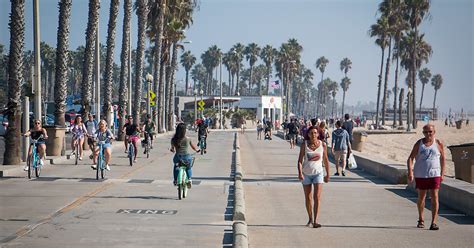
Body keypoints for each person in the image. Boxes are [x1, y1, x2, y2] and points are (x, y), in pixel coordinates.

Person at [407, 124, 445, 231]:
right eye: (425, 132)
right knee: (421, 197)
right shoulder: (419, 144)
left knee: (435, 197)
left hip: (435, 174)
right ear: (423, 133)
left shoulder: (438, 143)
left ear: (434, 132)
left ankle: (434, 222)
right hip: (421, 174)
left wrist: (442, 173)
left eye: (430, 132)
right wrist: (410, 172)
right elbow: (410, 158)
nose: (428, 134)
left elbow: (443, 158)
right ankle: (421, 219)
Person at [297, 126, 330, 228]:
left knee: (317, 197)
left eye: (315, 133)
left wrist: (328, 174)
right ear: (308, 134)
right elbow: (300, 160)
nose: (313, 135)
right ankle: (310, 218)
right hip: (306, 174)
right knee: (308, 198)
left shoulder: (323, 145)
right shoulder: (304, 145)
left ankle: (316, 220)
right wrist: (300, 173)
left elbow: (325, 160)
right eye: (311, 133)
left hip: (318, 174)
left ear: (318, 134)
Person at [170, 123, 200, 187]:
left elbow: (172, 149)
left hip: (178, 158)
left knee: (176, 167)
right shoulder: (188, 139)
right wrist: (197, 150)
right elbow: (193, 147)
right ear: (184, 131)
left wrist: (172, 150)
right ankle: (189, 179)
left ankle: (175, 180)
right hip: (186, 158)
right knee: (188, 168)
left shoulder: (173, 139)